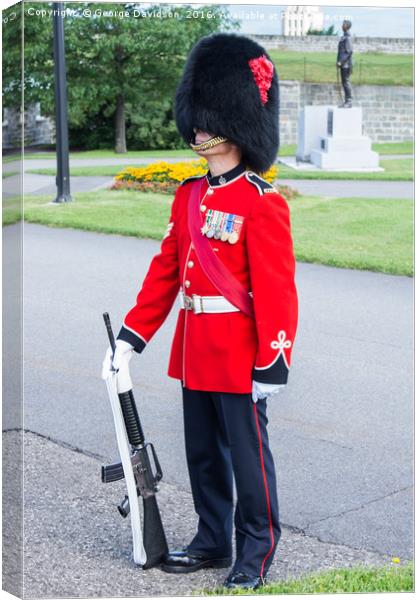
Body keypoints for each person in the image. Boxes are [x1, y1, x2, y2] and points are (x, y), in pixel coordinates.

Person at [102, 33, 298, 590]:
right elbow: (166, 273)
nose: (198, 131)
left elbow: (278, 291)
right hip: (196, 351)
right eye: (197, 120)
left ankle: (255, 551)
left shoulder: (263, 202)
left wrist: (273, 362)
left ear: (237, 124)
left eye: (209, 121)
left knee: (249, 463)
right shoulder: (188, 197)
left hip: (241, 357)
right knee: (204, 458)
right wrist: (131, 339)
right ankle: (213, 540)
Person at [337, 19, 353, 107]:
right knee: (344, 82)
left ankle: (349, 101)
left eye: (343, 24)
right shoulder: (344, 37)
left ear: (347, 26)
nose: (342, 26)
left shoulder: (348, 38)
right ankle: (346, 101)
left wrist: (340, 62)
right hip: (343, 65)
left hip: (346, 65)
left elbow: (349, 52)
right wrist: (338, 61)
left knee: (346, 82)